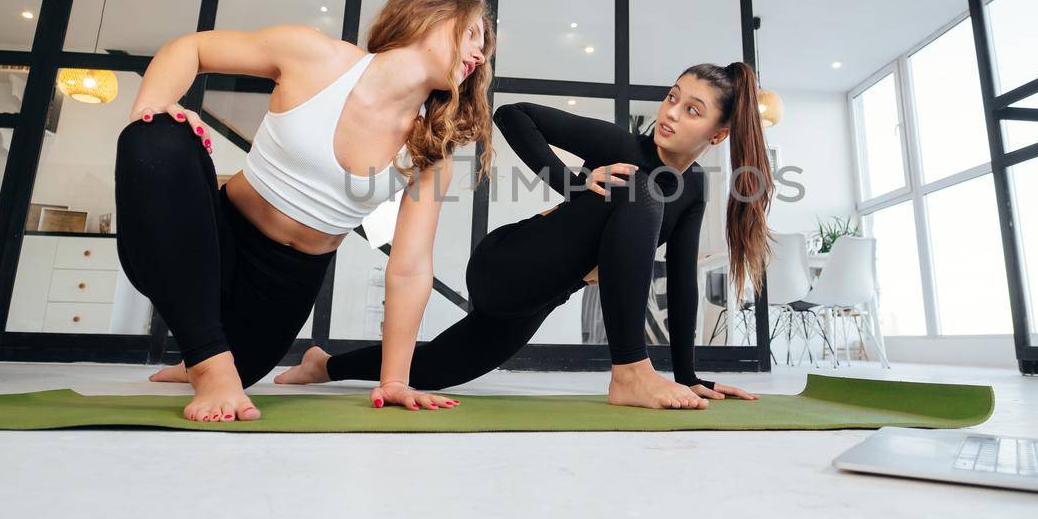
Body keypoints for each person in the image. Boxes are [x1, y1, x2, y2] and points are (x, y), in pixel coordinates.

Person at [277, 62, 774, 410]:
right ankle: (630, 371)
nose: (669, 113)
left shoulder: (693, 189)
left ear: (718, 133)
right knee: (642, 187)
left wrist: (688, 375)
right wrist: (570, 181)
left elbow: (682, 280)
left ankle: (325, 367)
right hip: (508, 263)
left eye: (692, 110)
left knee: (437, 368)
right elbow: (514, 114)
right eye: (672, 97)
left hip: (537, 297)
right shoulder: (623, 146)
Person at [113, 0, 494, 423]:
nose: (479, 55)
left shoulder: (430, 147)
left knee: (248, 369)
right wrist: (155, 107)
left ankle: (209, 349)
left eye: (483, 48)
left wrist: (393, 379)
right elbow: (192, 48)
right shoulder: (315, 57)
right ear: (429, 17)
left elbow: (409, 267)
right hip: (208, 239)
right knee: (155, 135)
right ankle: (208, 363)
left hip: (284, 284)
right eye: (471, 36)